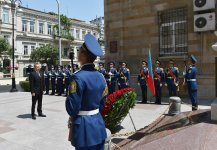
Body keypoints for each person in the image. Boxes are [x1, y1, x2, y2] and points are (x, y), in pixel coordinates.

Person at [65, 33, 107, 150]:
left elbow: (73, 108)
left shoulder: (77, 77)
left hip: (84, 128)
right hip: (98, 124)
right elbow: (103, 103)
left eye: (79, 51)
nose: (77, 53)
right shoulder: (101, 76)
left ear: (83, 55)